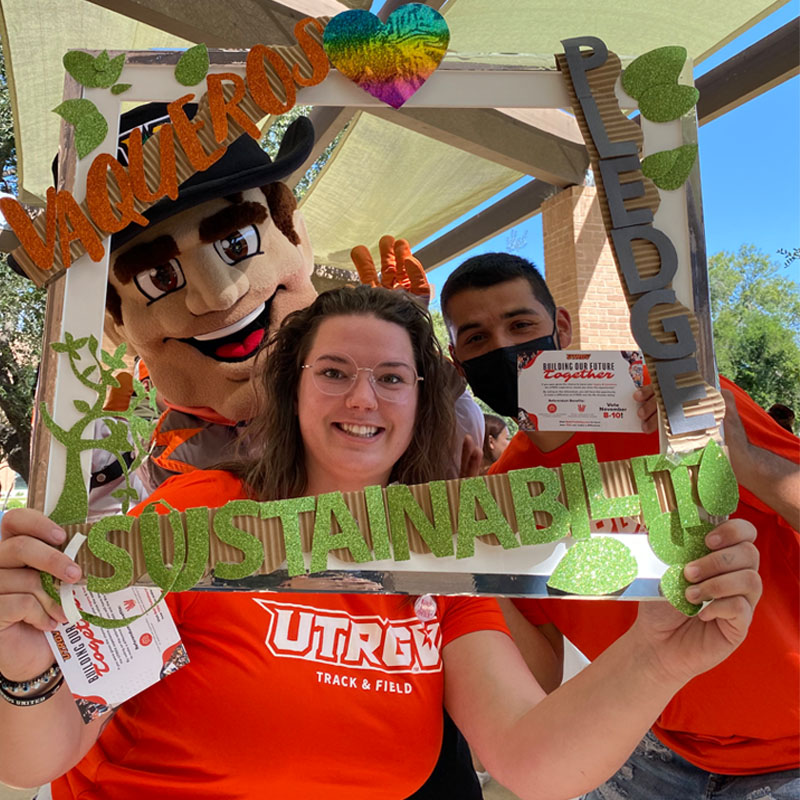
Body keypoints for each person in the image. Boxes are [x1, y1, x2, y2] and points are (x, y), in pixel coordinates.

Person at [0, 286, 760, 799]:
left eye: (392, 378)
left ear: (419, 403)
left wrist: (655, 657)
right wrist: (24, 667)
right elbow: (41, 754)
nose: (363, 397)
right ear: (292, 393)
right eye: (334, 372)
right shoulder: (198, 519)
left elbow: (532, 758)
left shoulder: (443, 557)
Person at [440, 252, 800, 800]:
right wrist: (471, 555)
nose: (504, 350)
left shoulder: (686, 407)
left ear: (560, 327)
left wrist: (746, 460)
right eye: (476, 338)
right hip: (660, 748)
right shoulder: (505, 491)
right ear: (458, 362)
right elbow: (542, 674)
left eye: (520, 325)